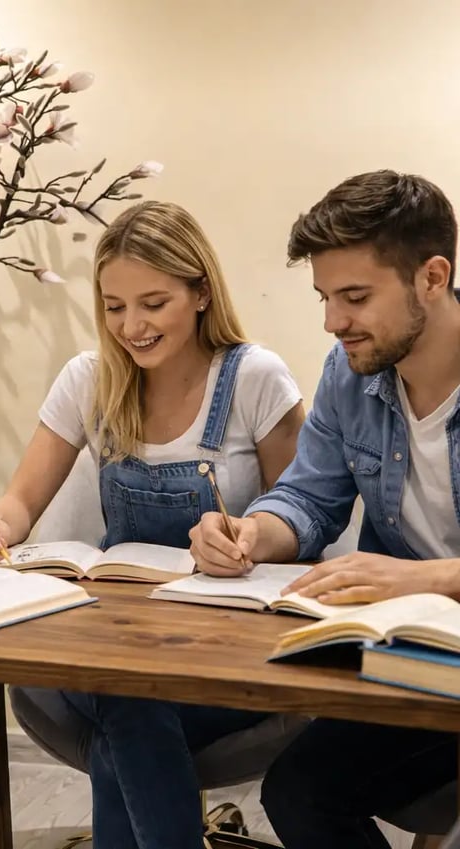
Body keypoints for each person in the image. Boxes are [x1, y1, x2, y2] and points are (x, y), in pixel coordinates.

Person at [0, 200, 305, 849]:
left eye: (153, 303)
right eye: (114, 306)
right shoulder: (87, 379)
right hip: (108, 642)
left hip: (224, 654)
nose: (131, 325)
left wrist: (248, 538)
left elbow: (305, 520)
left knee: (128, 707)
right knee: (125, 690)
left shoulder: (255, 378)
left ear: (201, 291)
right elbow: (18, 503)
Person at [190, 169, 460, 849]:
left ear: (433, 276)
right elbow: (310, 496)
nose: (333, 320)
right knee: (298, 792)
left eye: (355, 296)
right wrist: (252, 531)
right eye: (325, 296)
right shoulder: (351, 369)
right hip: (410, 661)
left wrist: (426, 577)